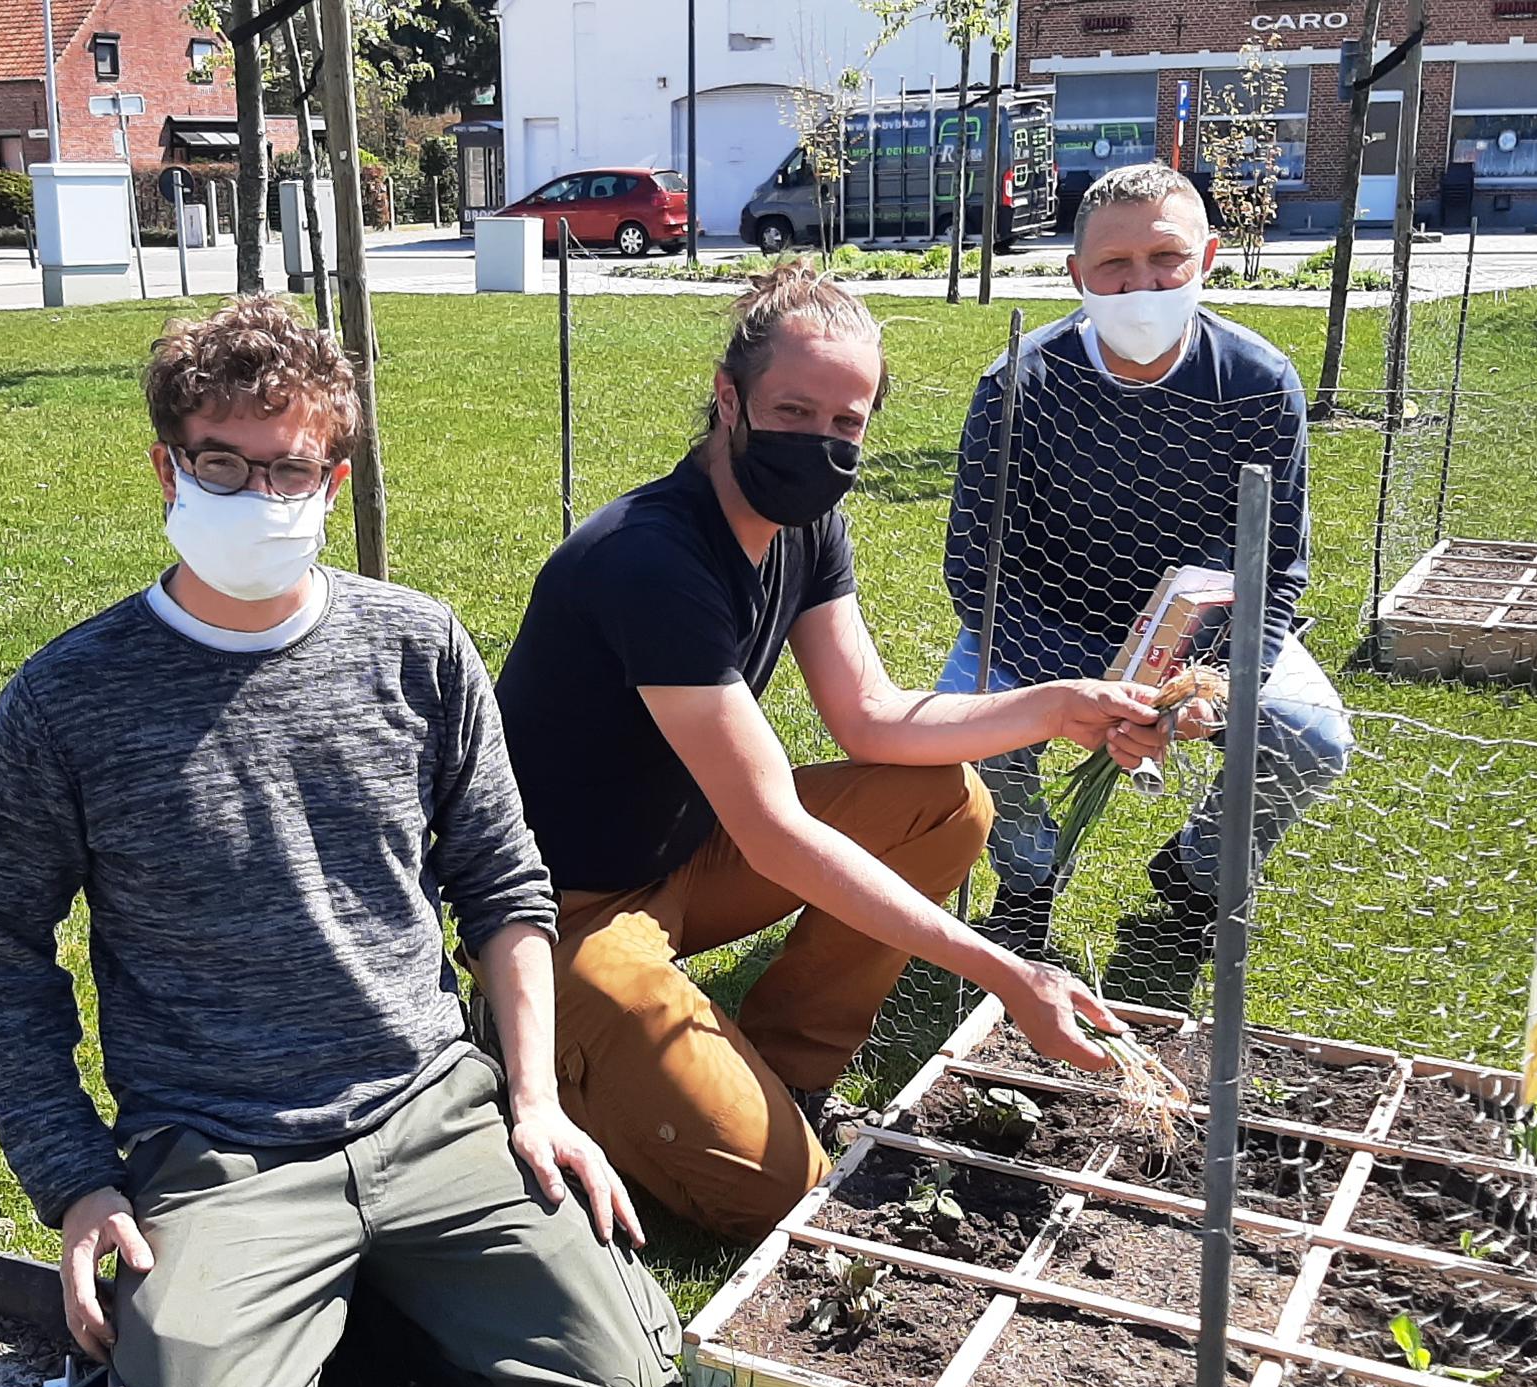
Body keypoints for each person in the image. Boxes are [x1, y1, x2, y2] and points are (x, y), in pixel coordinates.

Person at [0, 296, 678, 1387]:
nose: (257, 491)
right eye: (220, 463)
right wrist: (76, 1183)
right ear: (165, 466)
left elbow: (507, 886)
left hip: (430, 1104)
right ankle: (300, 1315)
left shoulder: (419, 645)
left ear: (332, 476)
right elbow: (6, 955)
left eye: (288, 464)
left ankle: (360, 1303)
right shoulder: (67, 696)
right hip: (221, 1147)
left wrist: (533, 1099)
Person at [494, 263, 1174, 1241]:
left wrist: (1056, 707)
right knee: (779, 1195)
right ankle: (555, 1040)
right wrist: (1005, 969)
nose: (820, 443)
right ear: (729, 399)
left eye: (846, 424)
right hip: (566, 909)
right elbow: (774, 833)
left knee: (944, 803)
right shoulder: (653, 562)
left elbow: (871, 716)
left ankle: (789, 1064)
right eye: (794, 408)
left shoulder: (806, 527)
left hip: (683, 853)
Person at [940, 161, 1353, 1006]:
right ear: (1076, 276)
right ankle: (1025, 872)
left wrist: (1207, 687)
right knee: (965, 728)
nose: (1142, 285)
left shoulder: (1258, 383)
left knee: (1313, 739)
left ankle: (1197, 871)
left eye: (1165, 258)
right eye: (1113, 267)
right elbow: (976, 568)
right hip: (1045, 628)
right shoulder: (1022, 382)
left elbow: (1274, 569)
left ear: (1206, 257)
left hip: (1194, 646)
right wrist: (1075, 695)